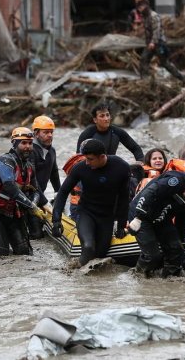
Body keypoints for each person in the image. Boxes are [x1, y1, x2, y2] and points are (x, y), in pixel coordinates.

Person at [52, 139, 130, 267]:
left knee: (100, 255)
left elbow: (124, 198)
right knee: (88, 247)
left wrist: (121, 225)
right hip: (86, 213)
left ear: (102, 156)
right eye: (85, 158)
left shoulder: (121, 167)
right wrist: (56, 220)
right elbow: (63, 192)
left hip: (106, 217)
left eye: (90, 159)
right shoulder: (80, 168)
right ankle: (72, 274)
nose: (87, 162)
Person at [0, 127, 46, 256]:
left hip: (13, 214)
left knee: (24, 252)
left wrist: (34, 204)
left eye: (30, 143)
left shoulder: (29, 167)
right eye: (23, 143)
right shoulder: (5, 161)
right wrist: (31, 206)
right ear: (15, 144)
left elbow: (36, 191)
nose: (27, 147)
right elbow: (10, 187)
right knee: (2, 254)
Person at [72, 102, 143, 219]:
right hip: (92, 169)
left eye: (107, 115)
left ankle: (130, 215)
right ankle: (78, 215)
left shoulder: (117, 132)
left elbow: (136, 149)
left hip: (110, 168)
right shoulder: (87, 134)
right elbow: (80, 158)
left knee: (133, 180)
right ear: (95, 119)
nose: (106, 118)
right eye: (102, 116)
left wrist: (140, 161)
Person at [136, 0, 185, 84]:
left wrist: (153, 42)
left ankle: (181, 78)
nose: (139, 9)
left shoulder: (153, 16)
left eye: (140, 7)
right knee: (144, 60)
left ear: (145, 6)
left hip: (158, 43)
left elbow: (157, 30)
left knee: (164, 63)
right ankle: (144, 80)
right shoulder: (145, 16)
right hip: (150, 44)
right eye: (139, 8)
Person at [27, 115, 60, 239]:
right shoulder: (30, 151)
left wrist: (59, 193)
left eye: (51, 132)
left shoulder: (52, 151)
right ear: (36, 133)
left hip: (39, 196)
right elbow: (31, 181)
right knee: (36, 235)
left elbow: (54, 173)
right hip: (27, 198)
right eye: (45, 132)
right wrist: (45, 202)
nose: (50, 135)